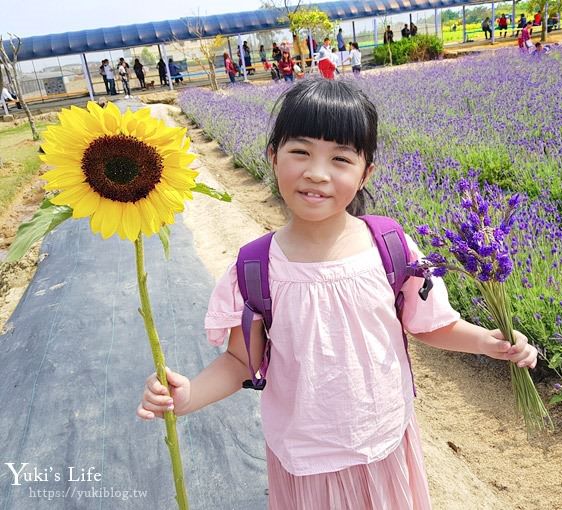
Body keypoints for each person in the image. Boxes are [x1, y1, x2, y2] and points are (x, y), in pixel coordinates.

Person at [136, 79, 539, 509]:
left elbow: (432, 324)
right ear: (273, 156)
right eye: (300, 152)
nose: (317, 172)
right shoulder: (256, 268)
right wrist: (187, 396)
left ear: (366, 172)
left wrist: (488, 342)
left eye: (341, 158)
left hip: (383, 444)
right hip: (306, 463)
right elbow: (240, 361)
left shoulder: (391, 246)